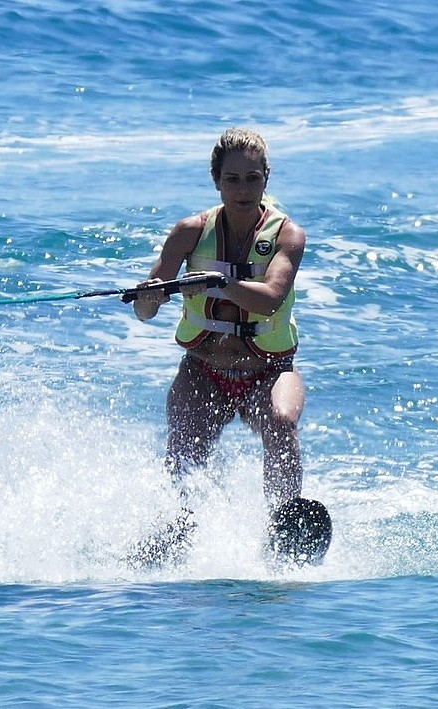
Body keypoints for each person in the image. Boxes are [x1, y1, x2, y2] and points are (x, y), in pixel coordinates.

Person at [132, 127, 306, 512]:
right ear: (216, 182)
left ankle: (284, 520)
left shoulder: (288, 235)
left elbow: (272, 300)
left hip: (270, 370)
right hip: (204, 370)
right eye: (232, 180)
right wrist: (148, 296)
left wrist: (221, 283)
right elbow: (144, 313)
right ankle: (182, 525)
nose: (243, 190)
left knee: (281, 422)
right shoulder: (190, 233)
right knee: (184, 445)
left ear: (266, 178)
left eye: (252, 178)